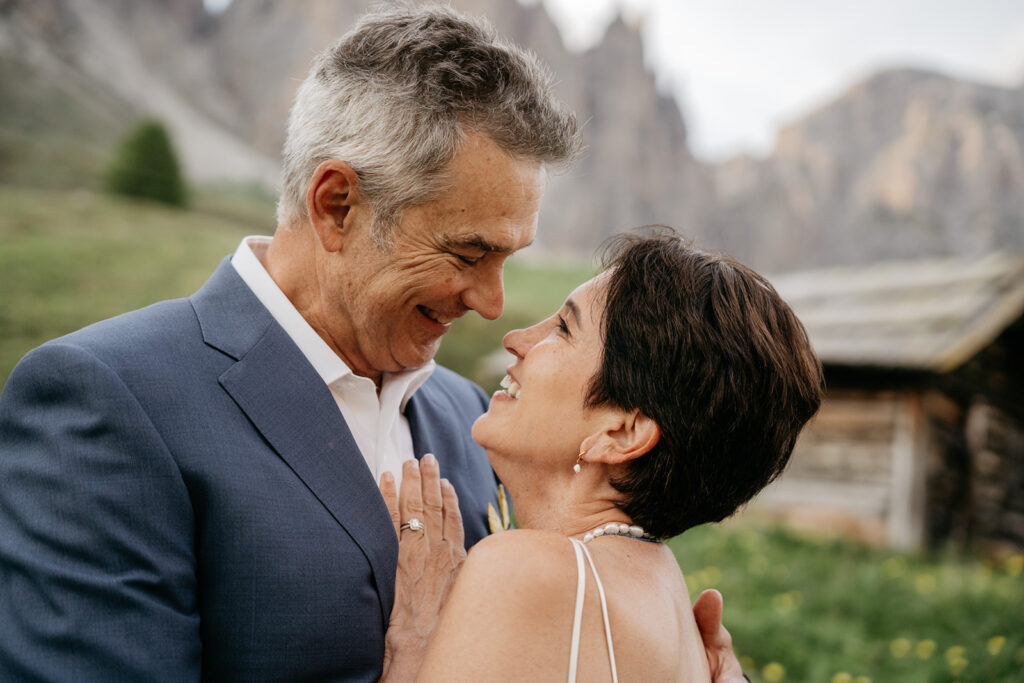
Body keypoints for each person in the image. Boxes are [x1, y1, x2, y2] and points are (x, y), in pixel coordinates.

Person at [0, 6, 745, 682]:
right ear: (337, 205)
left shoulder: (471, 416)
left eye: (508, 260)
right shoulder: (106, 398)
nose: (492, 305)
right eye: (466, 254)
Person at [377, 229, 825, 681]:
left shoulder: (523, 569)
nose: (516, 337)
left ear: (621, 432)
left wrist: (415, 642)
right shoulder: (669, 599)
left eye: (565, 329)